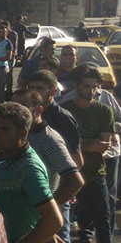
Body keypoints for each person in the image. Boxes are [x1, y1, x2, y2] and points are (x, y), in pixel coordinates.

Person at [11, 89, 84, 242]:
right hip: (23, 219)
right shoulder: (21, 135)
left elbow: (75, 180)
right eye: (13, 107)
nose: (15, 113)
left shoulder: (48, 139)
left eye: (22, 107)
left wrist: (50, 208)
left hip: (43, 221)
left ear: (38, 110)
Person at [0, 102, 63, 242]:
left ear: (23, 134)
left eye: (4, 129)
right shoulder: (4, 155)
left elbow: (54, 221)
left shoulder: (29, 169)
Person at [61, 64, 116, 243]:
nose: (91, 90)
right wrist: (90, 145)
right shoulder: (64, 110)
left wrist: (80, 145)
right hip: (68, 174)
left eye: (95, 86)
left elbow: (104, 144)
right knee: (67, 223)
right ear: (76, 85)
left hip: (95, 173)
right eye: (86, 86)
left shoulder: (104, 111)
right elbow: (62, 145)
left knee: (104, 220)